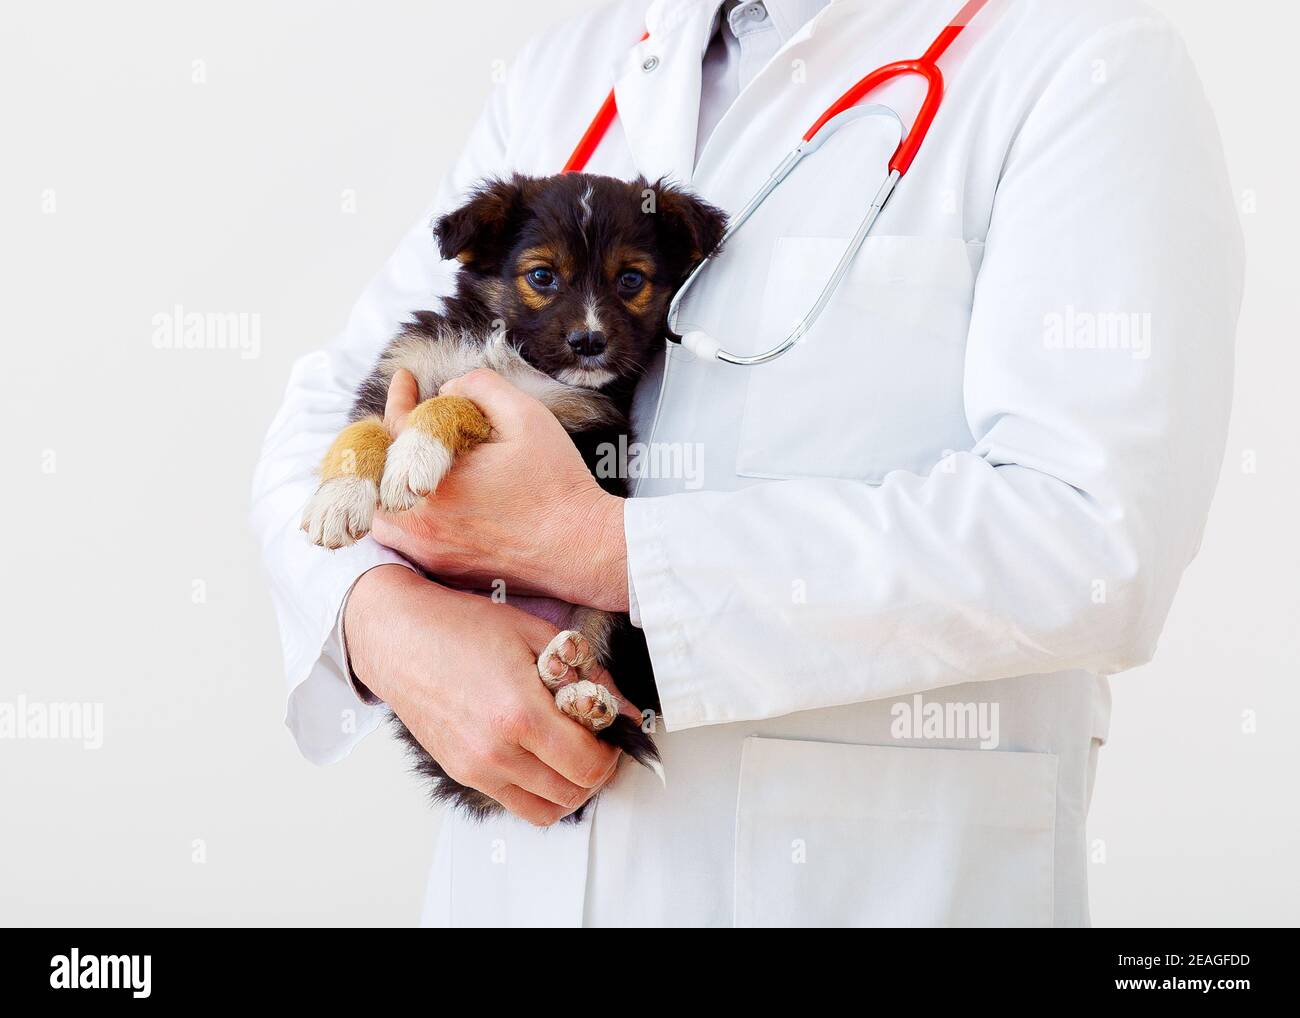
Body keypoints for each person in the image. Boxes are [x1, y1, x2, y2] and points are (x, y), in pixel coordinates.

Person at [250, 0, 1243, 926]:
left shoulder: (1085, 54)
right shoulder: (575, 62)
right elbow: (331, 408)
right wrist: (384, 620)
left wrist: (604, 550)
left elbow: (1092, 533)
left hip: (870, 883)